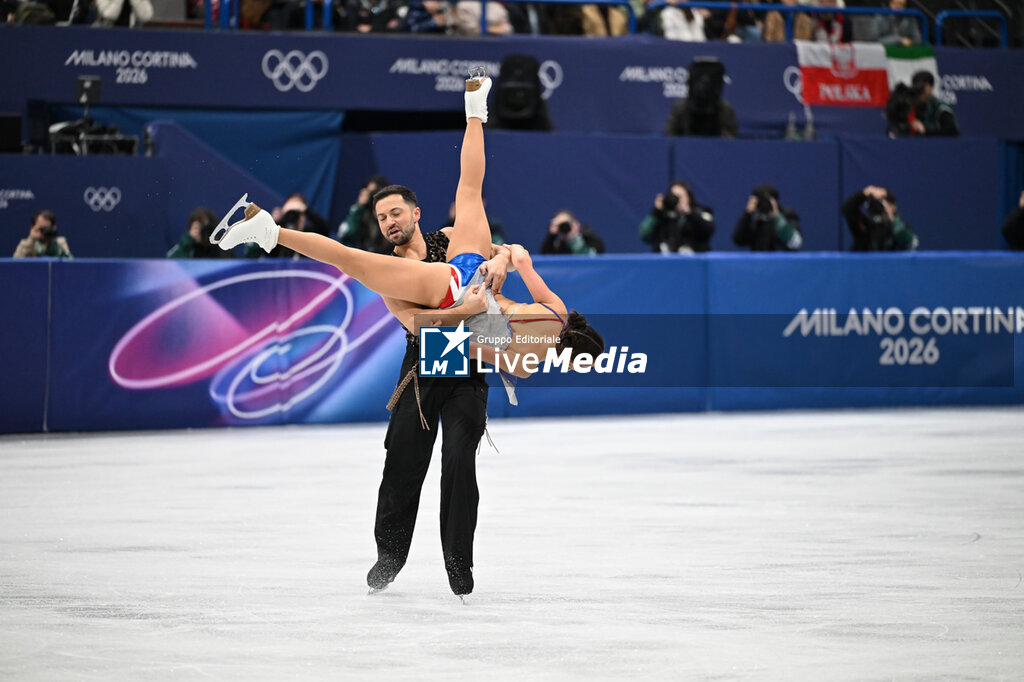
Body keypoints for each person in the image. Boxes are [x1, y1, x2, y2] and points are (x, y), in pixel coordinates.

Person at [214, 71, 603, 595]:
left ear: (416, 214)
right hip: (428, 357)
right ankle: (390, 553)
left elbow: (507, 254)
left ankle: (458, 563)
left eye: (395, 212)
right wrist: (476, 302)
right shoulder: (394, 273)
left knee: (459, 462)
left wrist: (502, 264)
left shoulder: (446, 241)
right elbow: (419, 323)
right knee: (402, 463)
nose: (389, 221)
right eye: (381, 216)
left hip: (467, 352)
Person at [665, 57, 738, 138]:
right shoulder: (680, 108)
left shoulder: (725, 110)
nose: (705, 83)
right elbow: (670, 138)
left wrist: (726, 137)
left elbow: (733, 143)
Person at [638, 180, 715, 254]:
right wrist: (656, 211)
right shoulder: (662, 215)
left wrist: (690, 213)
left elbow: (709, 229)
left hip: (693, 262)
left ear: (688, 197)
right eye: (674, 196)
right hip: (665, 263)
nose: (677, 200)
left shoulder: (699, 211)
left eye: (680, 196)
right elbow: (645, 235)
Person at [246, 193, 330, 259]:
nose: (293, 216)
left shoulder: (310, 233)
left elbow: (325, 229)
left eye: (297, 212)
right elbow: (256, 250)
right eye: (291, 212)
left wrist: (306, 210)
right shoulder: (276, 233)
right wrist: (273, 223)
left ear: (304, 215)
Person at [842, 185, 919, 251]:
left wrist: (891, 221)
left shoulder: (898, 226)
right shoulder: (864, 226)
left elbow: (912, 243)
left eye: (883, 202)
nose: (879, 207)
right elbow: (848, 209)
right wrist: (866, 192)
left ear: (893, 207)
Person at [732, 184, 803, 252]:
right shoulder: (753, 218)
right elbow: (738, 240)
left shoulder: (788, 215)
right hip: (758, 263)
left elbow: (795, 243)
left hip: (781, 262)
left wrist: (776, 217)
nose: (764, 204)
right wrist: (747, 213)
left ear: (775, 201)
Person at [337, 175, 392, 253]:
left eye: (375, 192)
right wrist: (358, 207)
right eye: (369, 193)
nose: (373, 197)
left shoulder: (393, 215)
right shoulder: (361, 214)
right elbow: (345, 234)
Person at [167, 207, 232, 259]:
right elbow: (171, 263)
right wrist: (187, 241)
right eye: (196, 227)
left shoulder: (221, 240)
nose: (201, 229)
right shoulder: (187, 242)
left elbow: (228, 265)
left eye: (203, 224)